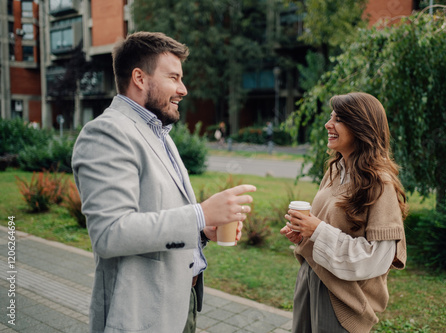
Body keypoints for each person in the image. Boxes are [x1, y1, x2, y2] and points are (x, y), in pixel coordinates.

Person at [72, 31, 256, 333]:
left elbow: (159, 215)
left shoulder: (160, 133)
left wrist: (202, 231)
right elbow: (109, 233)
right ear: (140, 78)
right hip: (141, 317)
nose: (183, 89)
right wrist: (200, 213)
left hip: (181, 305)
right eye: (174, 77)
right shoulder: (106, 133)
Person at [280, 92, 407, 333]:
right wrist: (303, 234)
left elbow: (377, 259)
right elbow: (325, 227)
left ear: (361, 126)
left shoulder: (379, 183)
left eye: (338, 119)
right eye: (331, 117)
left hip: (342, 299)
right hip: (310, 278)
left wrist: (317, 231)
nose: (328, 125)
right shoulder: (335, 170)